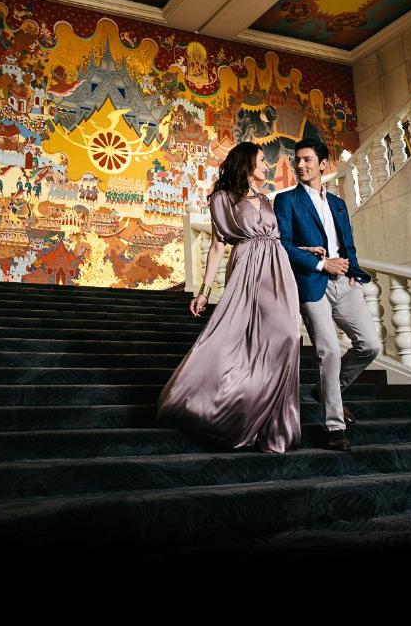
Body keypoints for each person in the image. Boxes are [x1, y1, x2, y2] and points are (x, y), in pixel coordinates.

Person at [156, 142, 301, 453]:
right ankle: (213, 404)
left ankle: (269, 424)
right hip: (249, 267)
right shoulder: (223, 199)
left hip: (278, 269)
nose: (267, 165)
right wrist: (205, 291)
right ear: (247, 163)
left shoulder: (264, 198)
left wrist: (303, 252)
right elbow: (218, 246)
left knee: (288, 337)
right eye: (262, 160)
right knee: (238, 340)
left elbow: (278, 238)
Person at [274, 138, 381, 452]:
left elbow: (348, 244)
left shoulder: (338, 204)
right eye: (298, 160)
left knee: (371, 345)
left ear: (323, 164)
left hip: (344, 284)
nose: (301, 165)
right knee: (329, 350)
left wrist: (353, 274)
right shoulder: (286, 201)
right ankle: (335, 426)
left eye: (308, 160)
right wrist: (321, 262)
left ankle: (326, 389)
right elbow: (282, 244)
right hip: (312, 283)